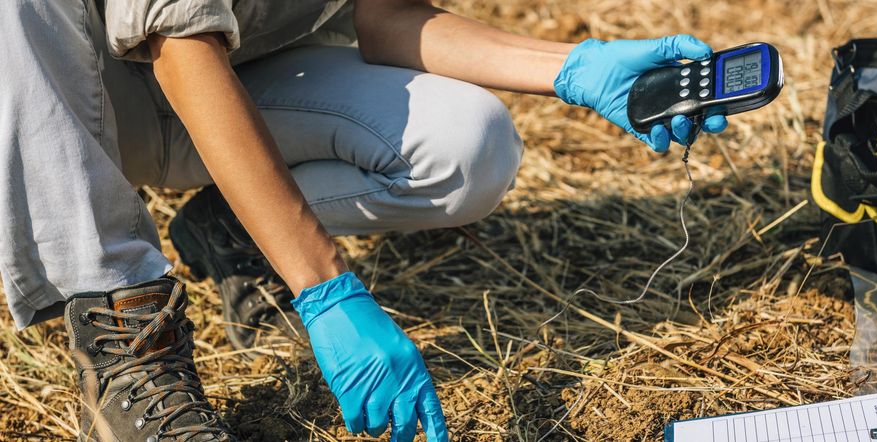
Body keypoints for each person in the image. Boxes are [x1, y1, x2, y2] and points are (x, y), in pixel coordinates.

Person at [0, 0, 728, 440]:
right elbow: (181, 50)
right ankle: (124, 341)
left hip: (235, 82)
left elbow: (390, 18)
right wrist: (324, 287)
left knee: (467, 145)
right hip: (80, 97)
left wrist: (574, 66)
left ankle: (234, 224)